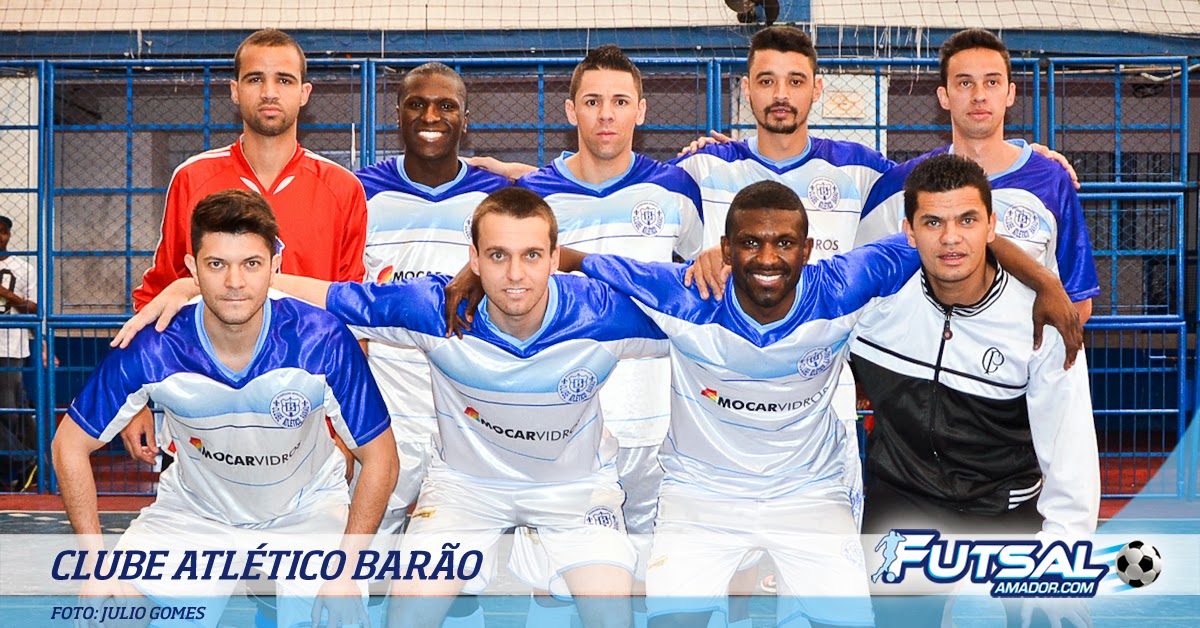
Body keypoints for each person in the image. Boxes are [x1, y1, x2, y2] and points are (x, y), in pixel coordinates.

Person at [441, 180, 1078, 628]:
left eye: (783, 243)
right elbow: (576, 260)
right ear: (725, 249)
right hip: (700, 495)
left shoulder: (845, 286)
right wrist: (481, 272)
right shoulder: (685, 294)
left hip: (810, 495)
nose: (767, 258)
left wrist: (1045, 281)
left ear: (808, 248)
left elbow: (951, 236)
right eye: (749, 243)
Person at [119, 186, 673, 628]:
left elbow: (693, 310)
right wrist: (198, 288)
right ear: (473, 259)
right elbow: (330, 295)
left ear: (555, 258)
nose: (515, 274)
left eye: (532, 256)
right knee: (406, 614)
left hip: (575, 490)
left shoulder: (602, 314)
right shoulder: (435, 308)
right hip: (466, 489)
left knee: (611, 614)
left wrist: (709, 259)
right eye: (497, 256)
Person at [54, 189, 398, 628]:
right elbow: (69, 445)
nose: (235, 282)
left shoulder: (322, 340)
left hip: (305, 513)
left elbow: (381, 458)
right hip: (196, 514)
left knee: (338, 616)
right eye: (217, 264)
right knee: (107, 613)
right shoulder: (154, 346)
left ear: (275, 266)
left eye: (251, 264)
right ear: (192, 268)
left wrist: (346, 571)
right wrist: (94, 565)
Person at [850, 153, 1099, 628]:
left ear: (991, 227)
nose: (950, 238)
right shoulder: (871, 306)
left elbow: (1072, 457)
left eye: (967, 220)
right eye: (933, 222)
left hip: (1010, 505)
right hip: (906, 500)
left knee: (1053, 616)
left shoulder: (1040, 322)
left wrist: (1063, 555)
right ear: (908, 232)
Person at [121, 27, 369, 476]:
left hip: (305, 412)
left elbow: (351, 314)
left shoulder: (342, 189)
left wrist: (351, 426)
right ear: (235, 91)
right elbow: (159, 291)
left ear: (305, 93)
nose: (270, 92)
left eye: (284, 80)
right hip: (205, 412)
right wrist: (132, 400)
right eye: (255, 79)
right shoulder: (192, 178)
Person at [353, 60, 509, 627]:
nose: (431, 116)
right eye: (417, 104)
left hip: (470, 415)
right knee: (361, 561)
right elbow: (343, 298)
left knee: (464, 574)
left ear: (466, 117)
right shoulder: (360, 192)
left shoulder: (497, 195)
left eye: (446, 105)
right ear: (397, 113)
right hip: (387, 411)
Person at [855, 28, 1098, 321]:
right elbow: (860, 286)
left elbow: (1077, 301)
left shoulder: (1050, 179)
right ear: (944, 96)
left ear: (1010, 93)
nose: (979, 96)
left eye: (992, 82)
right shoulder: (902, 183)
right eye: (965, 83)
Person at [0, 215, 38, 491]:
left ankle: (22, 463)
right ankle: (28, 461)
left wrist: (7, 294)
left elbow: (35, 309)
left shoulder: (24, 268)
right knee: (17, 409)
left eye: (2, 231)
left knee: (9, 411)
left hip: (9, 346)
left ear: (9, 235)